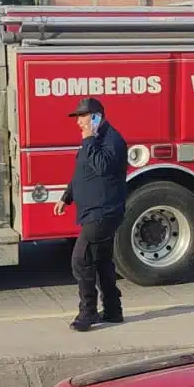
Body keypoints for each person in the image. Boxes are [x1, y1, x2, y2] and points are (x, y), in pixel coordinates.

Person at [54, 97, 128, 332]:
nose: (79, 123)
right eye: (78, 118)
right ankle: (113, 310)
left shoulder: (112, 140)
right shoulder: (93, 141)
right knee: (101, 261)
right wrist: (67, 196)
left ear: (96, 117)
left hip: (104, 211)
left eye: (83, 117)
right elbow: (82, 171)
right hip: (94, 211)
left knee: (81, 259)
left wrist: (88, 140)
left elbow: (102, 167)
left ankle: (88, 312)